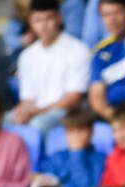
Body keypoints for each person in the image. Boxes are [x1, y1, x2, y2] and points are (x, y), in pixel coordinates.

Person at [9, 0, 90, 135]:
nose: (44, 26)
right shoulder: (27, 55)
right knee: (0, 121)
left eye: (48, 19)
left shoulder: (78, 49)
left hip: (67, 112)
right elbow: (27, 98)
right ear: (30, 22)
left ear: (59, 18)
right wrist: (23, 112)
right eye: (38, 20)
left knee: (38, 124)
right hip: (36, 111)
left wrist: (35, 112)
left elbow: (73, 98)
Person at [39, 109, 107, 187]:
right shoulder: (55, 158)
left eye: (80, 130)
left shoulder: (101, 160)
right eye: (71, 131)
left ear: (91, 132)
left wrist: (78, 153)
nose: (75, 136)